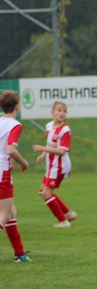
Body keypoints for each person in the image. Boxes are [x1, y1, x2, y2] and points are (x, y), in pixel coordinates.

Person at [33, 101, 78, 228]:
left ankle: (63, 221)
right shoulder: (49, 126)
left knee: (46, 193)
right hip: (51, 165)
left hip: (60, 166)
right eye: (59, 110)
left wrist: (43, 148)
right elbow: (50, 144)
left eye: (64, 111)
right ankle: (69, 214)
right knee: (43, 191)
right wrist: (43, 154)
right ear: (52, 112)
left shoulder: (65, 130)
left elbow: (62, 151)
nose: (62, 113)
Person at [0, 90, 32, 262]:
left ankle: (20, 254)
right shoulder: (15, 125)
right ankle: (20, 254)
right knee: (4, 215)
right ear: (17, 107)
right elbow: (11, 149)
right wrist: (24, 163)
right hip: (2, 173)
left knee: (11, 212)